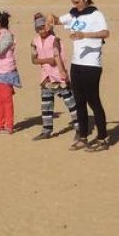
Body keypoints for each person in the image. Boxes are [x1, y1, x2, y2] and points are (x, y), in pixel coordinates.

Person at [54, 0, 109, 151]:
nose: (75, 5)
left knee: (93, 101)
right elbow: (58, 20)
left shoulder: (95, 14)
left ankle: (102, 138)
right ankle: (83, 136)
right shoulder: (74, 14)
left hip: (91, 65)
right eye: (73, 2)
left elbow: (105, 33)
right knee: (79, 102)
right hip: (76, 63)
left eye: (78, 2)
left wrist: (85, 35)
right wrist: (51, 18)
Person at [30, 13, 77, 141]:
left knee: (70, 102)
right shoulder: (34, 41)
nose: (42, 30)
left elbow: (57, 57)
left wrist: (62, 72)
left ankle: (79, 127)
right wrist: (47, 60)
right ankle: (47, 129)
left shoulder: (54, 39)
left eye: (44, 27)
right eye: (39, 28)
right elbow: (33, 59)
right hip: (46, 77)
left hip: (58, 76)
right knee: (46, 104)